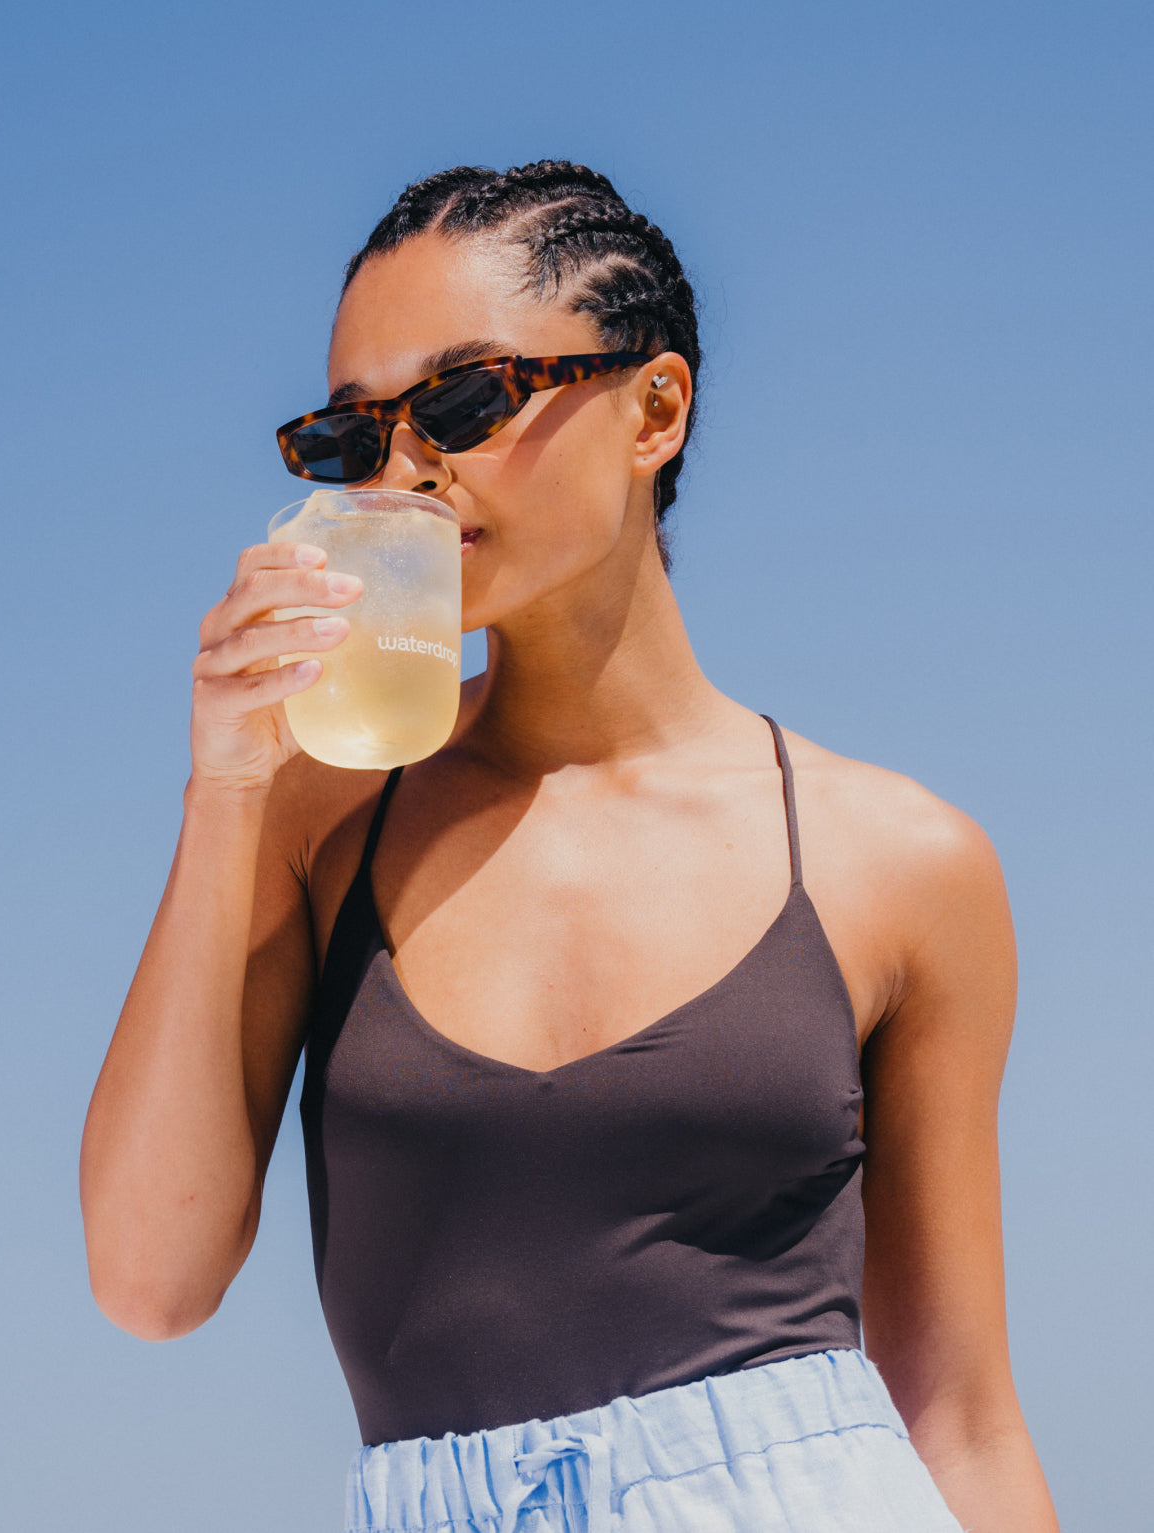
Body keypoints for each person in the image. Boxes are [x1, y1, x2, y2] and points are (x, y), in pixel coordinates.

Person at [80, 162, 1060, 1532]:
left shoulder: (898, 862)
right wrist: (222, 789)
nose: (405, 466)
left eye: (464, 400)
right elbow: (148, 1276)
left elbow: (959, 1416)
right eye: (352, 435)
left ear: (653, 407)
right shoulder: (314, 814)